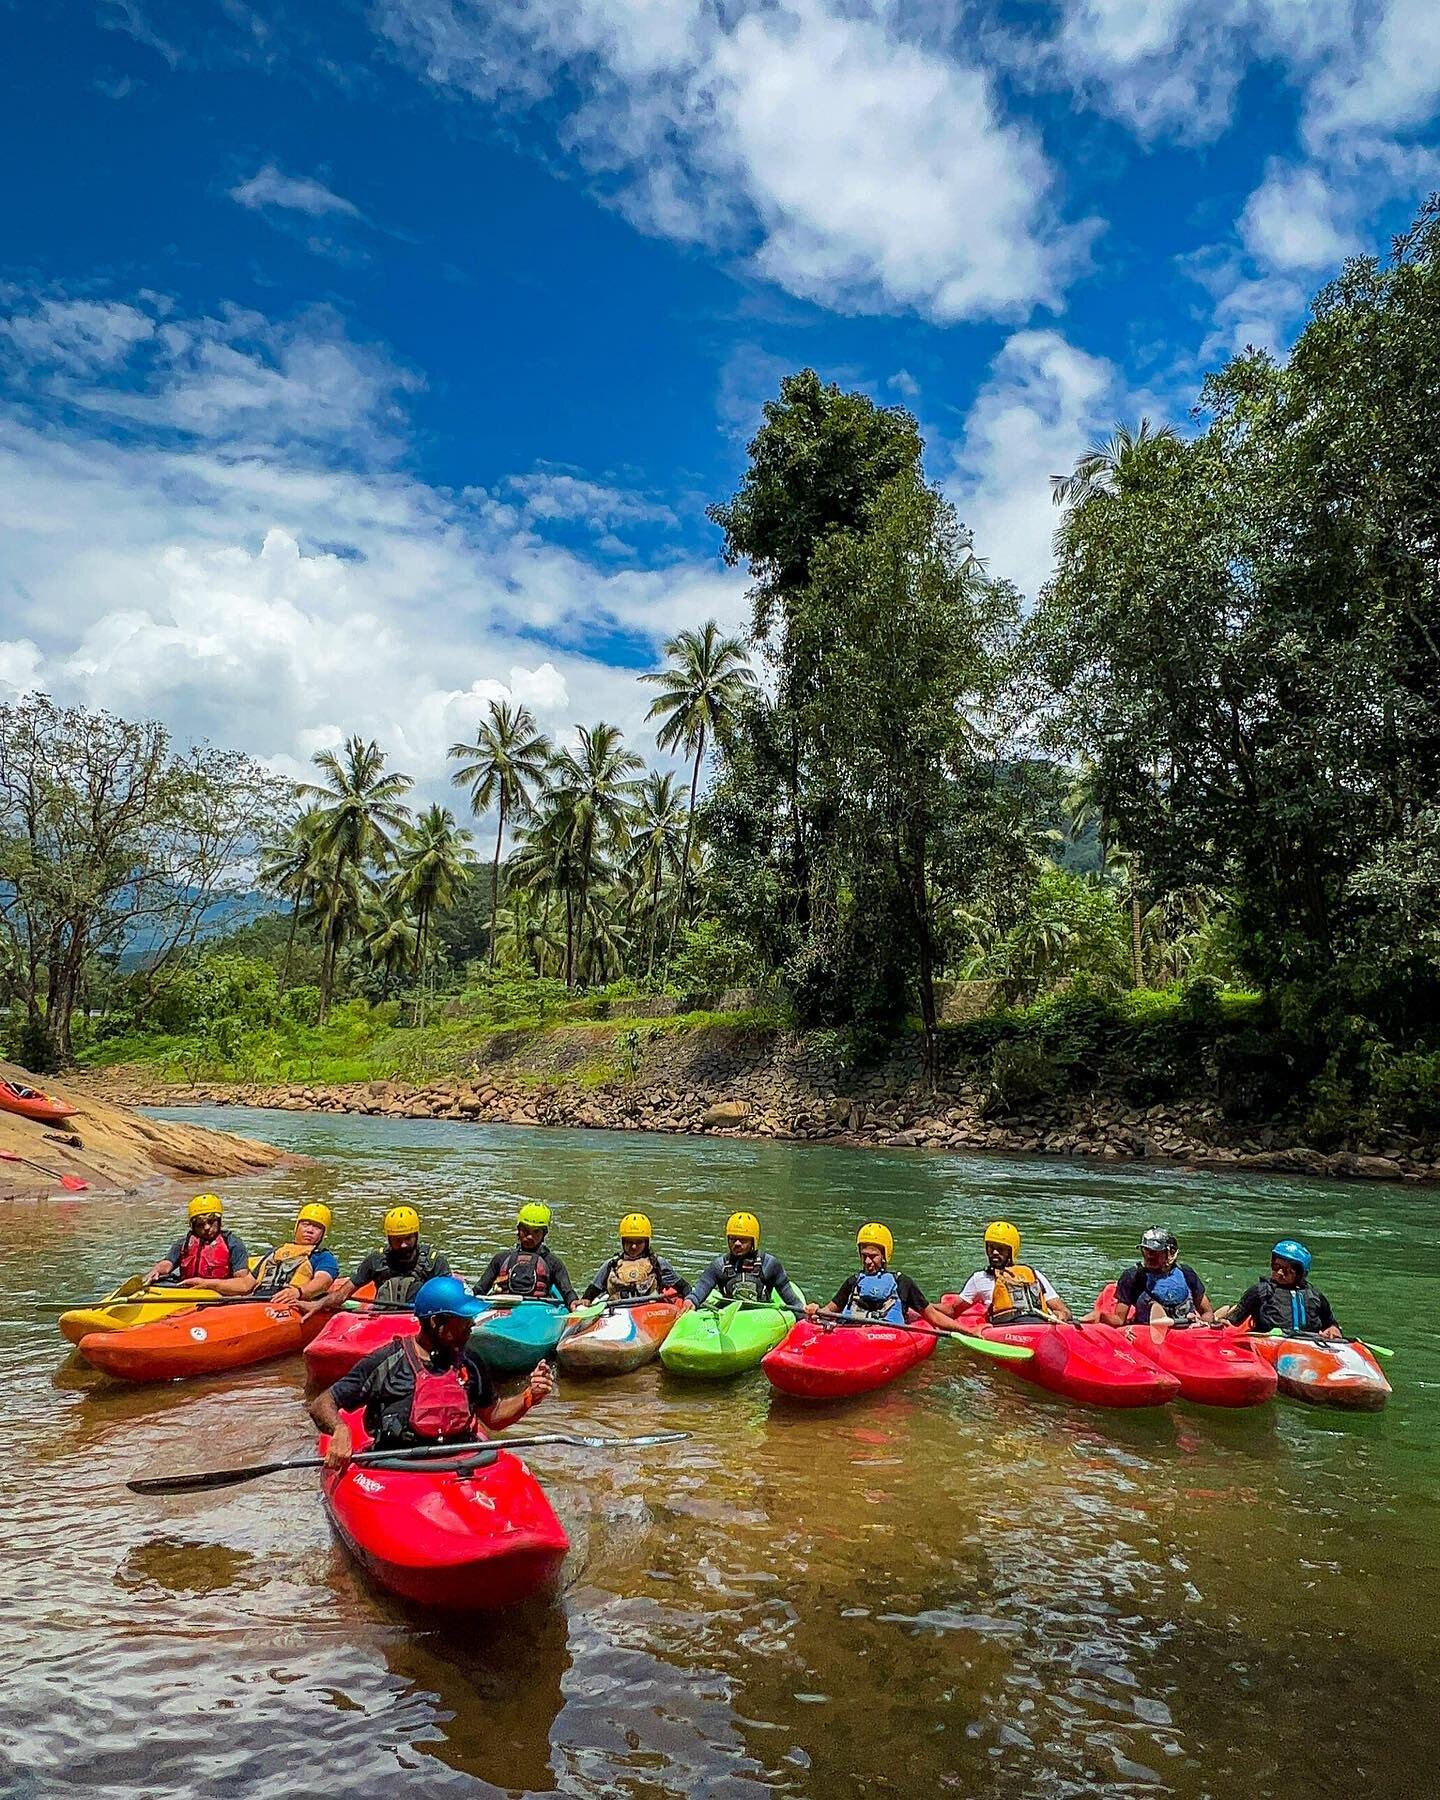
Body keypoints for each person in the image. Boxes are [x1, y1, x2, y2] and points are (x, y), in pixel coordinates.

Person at [310, 1275, 555, 1468]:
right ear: (437, 1323)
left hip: (460, 1464)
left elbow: (493, 1417)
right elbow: (323, 1402)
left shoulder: (471, 1361)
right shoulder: (386, 1361)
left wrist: (529, 1396)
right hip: (397, 1466)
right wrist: (340, 1430)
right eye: (463, 1319)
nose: (471, 1325)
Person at [806, 1224, 963, 1331]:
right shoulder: (853, 1282)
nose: (868, 1262)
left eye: (873, 1256)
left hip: (885, 1338)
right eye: (864, 1255)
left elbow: (934, 1317)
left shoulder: (903, 1283)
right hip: (850, 1333)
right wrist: (816, 1311)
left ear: (884, 1256)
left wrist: (968, 1331)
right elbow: (829, 1311)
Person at [304, 1205, 451, 1315]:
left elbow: (449, 1300)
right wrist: (317, 1304)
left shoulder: (434, 1262)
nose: (403, 1244)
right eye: (397, 1240)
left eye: (408, 1238)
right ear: (389, 1238)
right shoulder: (376, 1260)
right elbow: (343, 1294)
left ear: (416, 1236)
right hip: (383, 1317)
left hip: (417, 1317)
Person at [939, 1220, 1073, 1324]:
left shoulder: (1033, 1275)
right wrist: (924, 1307)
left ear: (1012, 1251)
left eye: (1001, 1249)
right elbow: (953, 1310)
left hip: (1036, 1326)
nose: (995, 1253)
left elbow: (1063, 1310)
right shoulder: (980, 1279)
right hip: (1004, 1329)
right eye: (991, 1248)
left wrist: (1062, 1315)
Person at [679, 1211, 804, 1313]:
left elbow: (791, 1299)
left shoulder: (769, 1264)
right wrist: (691, 1300)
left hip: (761, 1315)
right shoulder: (719, 1265)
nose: (737, 1244)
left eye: (743, 1240)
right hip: (730, 1314)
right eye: (733, 1239)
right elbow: (702, 1286)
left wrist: (803, 1314)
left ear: (753, 1241)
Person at [1216, 1240, 1342, 1338]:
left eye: (1287, 1270)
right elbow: (1233, 1321)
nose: (1280, 1273)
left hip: (1308, 1344)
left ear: (1300, 1274)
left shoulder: (1315, 1297)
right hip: (1269, 1343)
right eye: (1276, 1267)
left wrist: (1333, 1329)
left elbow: (1330, 1323)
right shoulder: (1261, 1291)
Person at [1095, 1226, 1212, 1326]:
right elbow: (1119, 1320)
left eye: (1155, 1251)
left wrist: (1202, 1323)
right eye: (1146, 1250)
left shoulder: (1186, 1273)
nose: (1149, 1256)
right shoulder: (1133, 1277)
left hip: (1186, 1331)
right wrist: (1099, 1317)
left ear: (1170, 1253)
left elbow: (1207, 1312)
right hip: (1146, 1333)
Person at [142, 1195, 254, 1295]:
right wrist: (156, 1271)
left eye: (211, 1222)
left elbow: (243, 1285)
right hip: (188, 1293)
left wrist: (207, 1284)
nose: (206, 1228)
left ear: (219, 1221)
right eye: (200, 1224)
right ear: (193, 1226)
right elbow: (167, 1263)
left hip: (219, 1294)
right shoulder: (184, 1243)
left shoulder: (233, 1244)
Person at [473, 1203, 579, 1308]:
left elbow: (568, 1293)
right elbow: (479, 1290)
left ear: (544, 1234)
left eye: (536, 1231)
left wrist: (574, 1304)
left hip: (539, 1311)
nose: (529, 1236)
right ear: (518, 1230)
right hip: (504, 1308)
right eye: (525, 1230)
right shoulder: (500, 1259)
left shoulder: (553, 1263)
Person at [580, 1213, 691, 1304]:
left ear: (646, 1242)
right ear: (623, 1242)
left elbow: (684, 1288)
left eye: (639, 1242)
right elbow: (591, 1293)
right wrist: (585, 1301)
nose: (633, 1246)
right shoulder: (611, 1265)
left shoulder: (658, 1263)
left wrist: (690, 1301)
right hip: (618, 1311)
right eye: (629, 1241)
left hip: (649, 1312)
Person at [250, 1203, 339, 1304]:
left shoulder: (323, 1257)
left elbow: (323, 1281)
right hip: (258, 1299)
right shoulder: (275, 1252)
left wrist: (299, 1292)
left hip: (289, 1302)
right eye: (305, 1224)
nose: (310, 1230)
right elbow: (246, 1284)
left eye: (317, 1227)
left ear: (322, 1234)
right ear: (297, 1227)